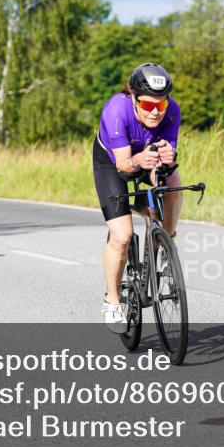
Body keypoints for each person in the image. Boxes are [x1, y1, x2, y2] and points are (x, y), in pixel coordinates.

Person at [93, 63, 181, 331]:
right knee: (122, 237)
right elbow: (123, 166)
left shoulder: (172, 111)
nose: (155, 112)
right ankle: (112, 299)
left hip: (146, 157)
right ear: (133, 98)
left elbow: (164, 165)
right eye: (146, 105)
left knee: (174, 184)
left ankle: (165, 242)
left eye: (160, 104)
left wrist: (167, 162)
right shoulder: (116, 109)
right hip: (113, 164)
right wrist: (141, 160)